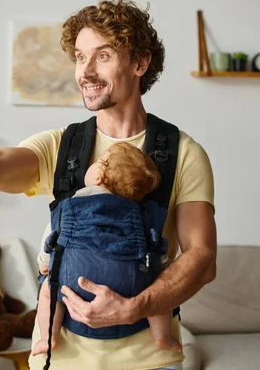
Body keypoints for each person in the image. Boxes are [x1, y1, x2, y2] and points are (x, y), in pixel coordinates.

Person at [0, 0, 216, 370]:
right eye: (80, 57)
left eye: (102, 55)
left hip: (150, 359)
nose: (85, 71)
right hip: (60, 360)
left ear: (140, 62)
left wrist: (134, 307)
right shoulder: (61, 146)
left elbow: (202, 258)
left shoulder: (182, 152)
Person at [32, 142, 181, 357]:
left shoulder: (72, 203)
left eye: (99, 161)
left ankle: (48, 337)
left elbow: (53, 235)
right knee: (156, 293)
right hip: (130, 283)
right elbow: (155, 244)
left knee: (49, 291)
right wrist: (162, 266)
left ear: (100, 177)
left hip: (74, 280)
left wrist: (45, 264)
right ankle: (162, 336)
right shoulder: (140, 213)